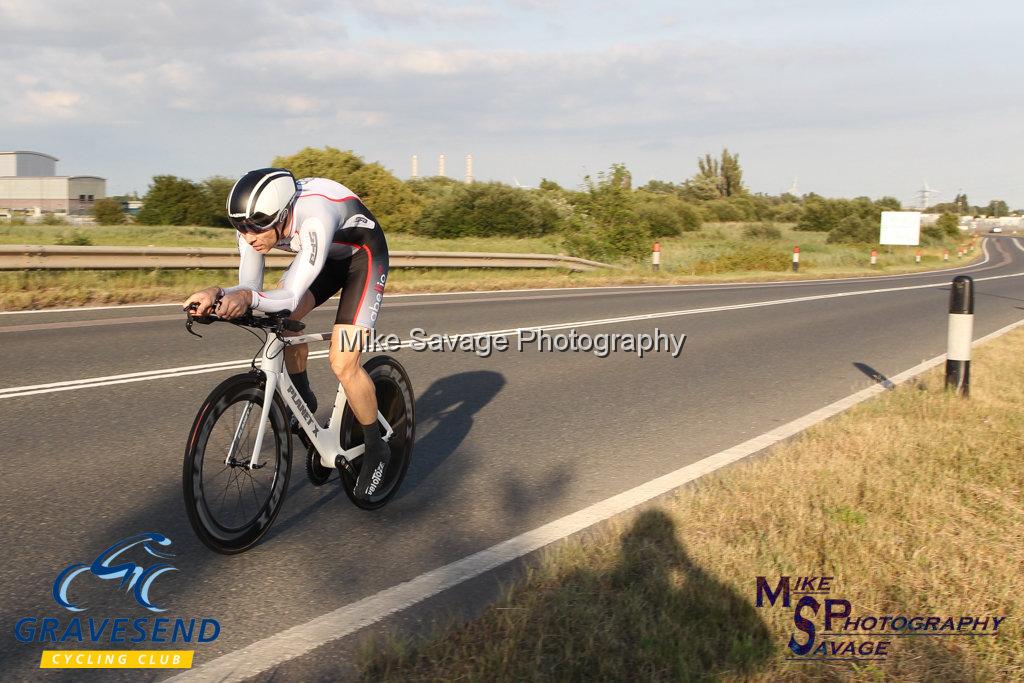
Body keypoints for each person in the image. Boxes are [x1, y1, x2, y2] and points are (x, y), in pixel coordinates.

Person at [183, 168, 391, 500]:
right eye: (242, 229)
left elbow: (289, 295)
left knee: (343, 362)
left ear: (282, 216)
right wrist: (217, 295)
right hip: (323, 260)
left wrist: (246, 298)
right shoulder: (253, 223)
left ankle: (376, 447)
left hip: (364, 258)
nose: (250, 238)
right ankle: (305, 397)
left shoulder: (315, 216)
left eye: (257, 230)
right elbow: (250, 289)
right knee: (279, 318)